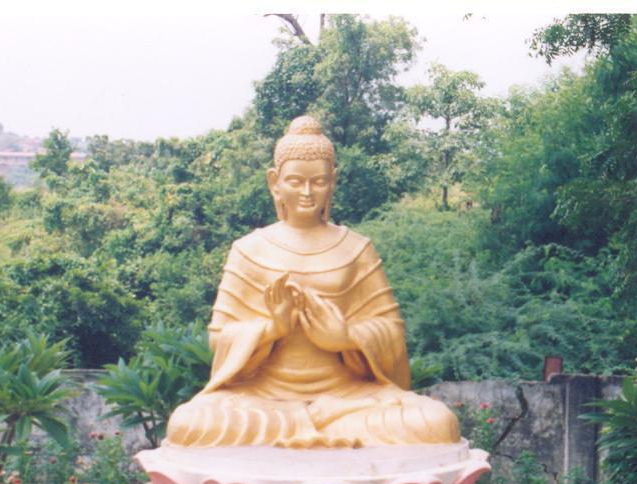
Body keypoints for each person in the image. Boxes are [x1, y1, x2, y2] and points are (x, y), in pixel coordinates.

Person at [166, 115, 459, 448]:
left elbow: (391, 331)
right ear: (274, 181)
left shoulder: (355, 248)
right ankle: (314, 433)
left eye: (318, 181)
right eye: (295, 181)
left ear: (332, 180)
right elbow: (219, 340)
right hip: (264, 401)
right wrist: (269, 330)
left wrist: (346, 338)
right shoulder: (248, 250)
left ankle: (320, 432)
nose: (307, 192)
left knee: (434, 424)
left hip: (348, 401)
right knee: (191, 423)